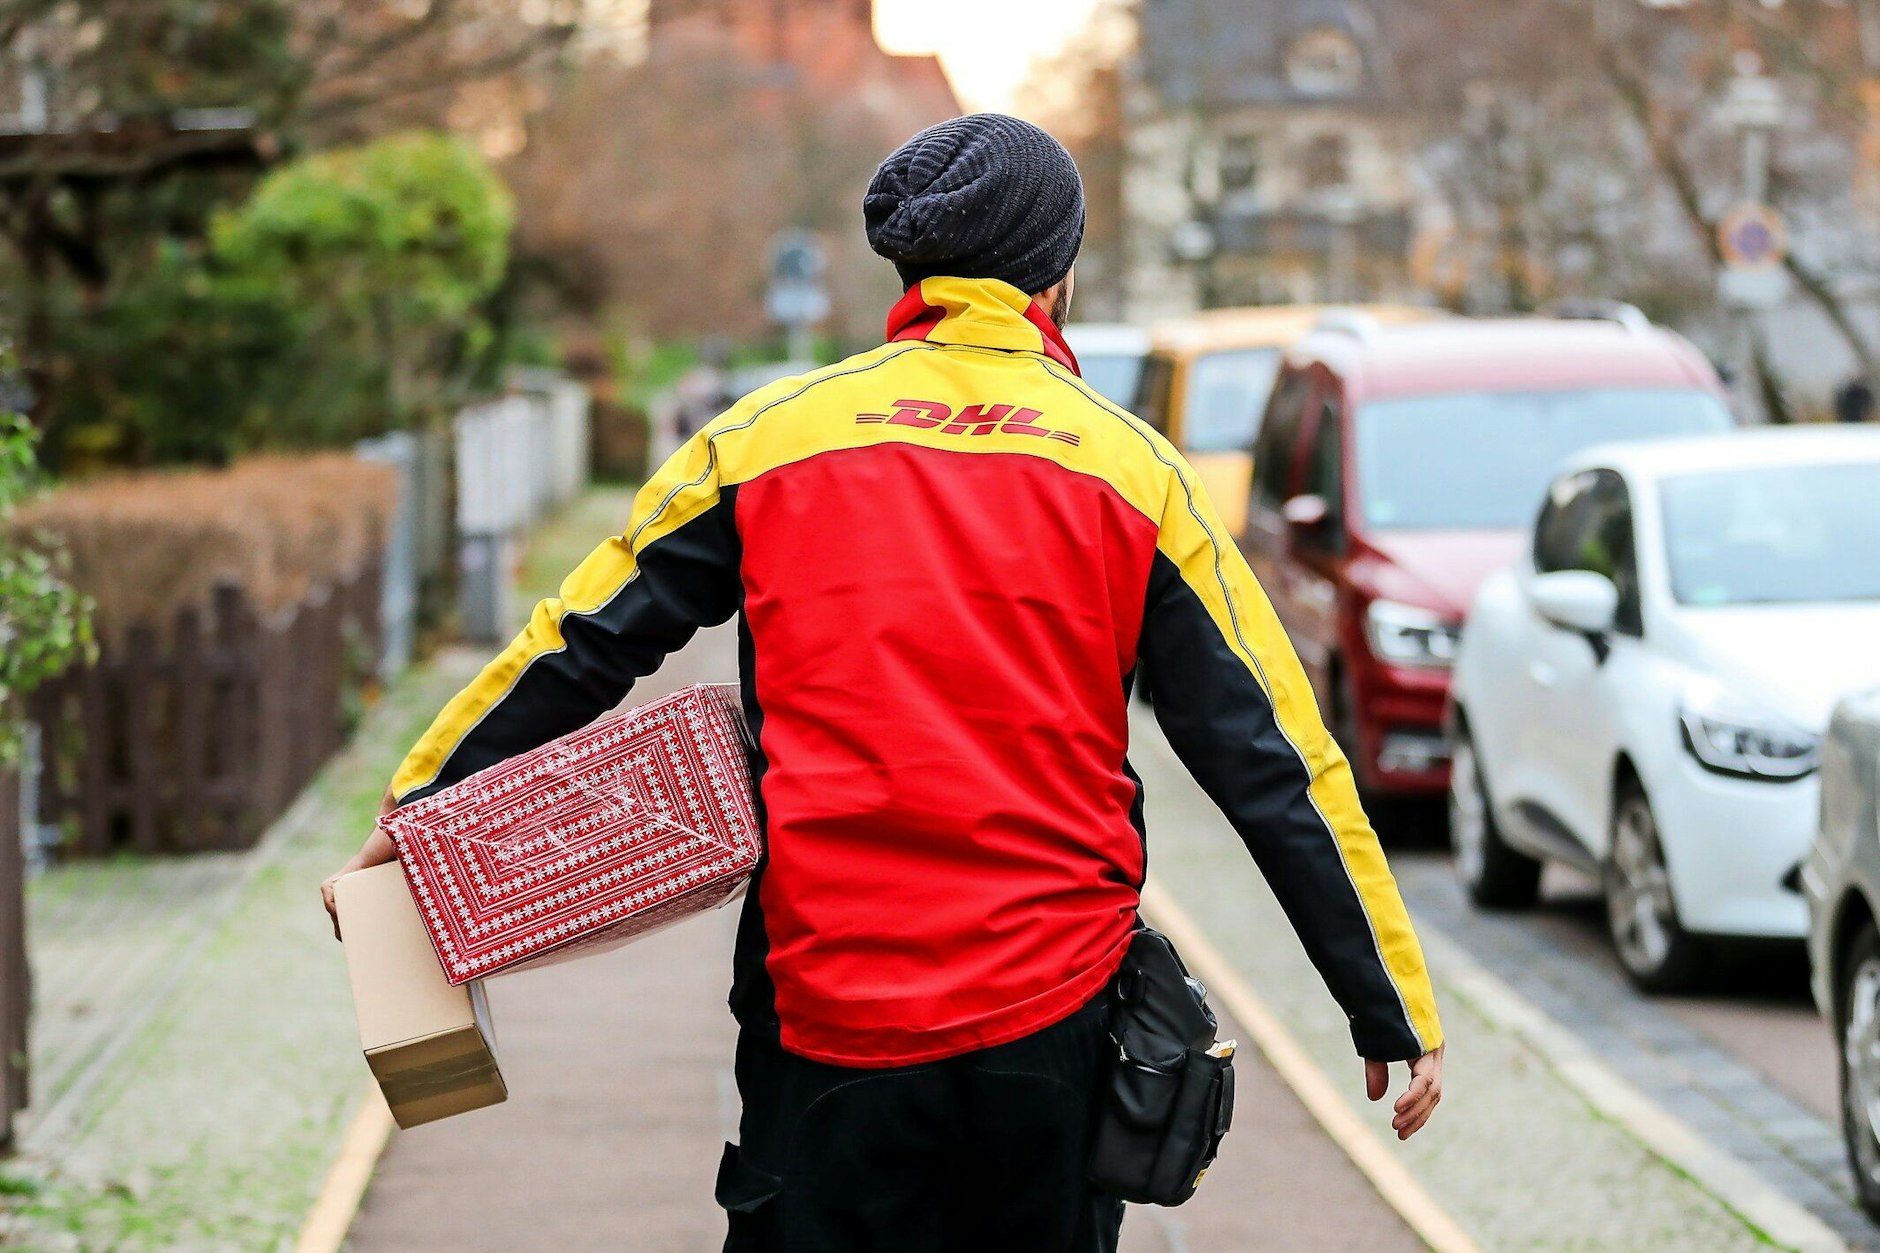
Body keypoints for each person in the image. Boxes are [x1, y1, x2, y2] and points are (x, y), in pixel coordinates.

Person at [322, 114, 1443, 1253]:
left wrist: (417, 805)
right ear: (1055, 276)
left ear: (910, 268)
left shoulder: (766, 437)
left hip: (824, 1008)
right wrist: (1383, 995)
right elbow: (1271, 753)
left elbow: (577, 641)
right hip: (1052, 1011)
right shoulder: (1132, 470)